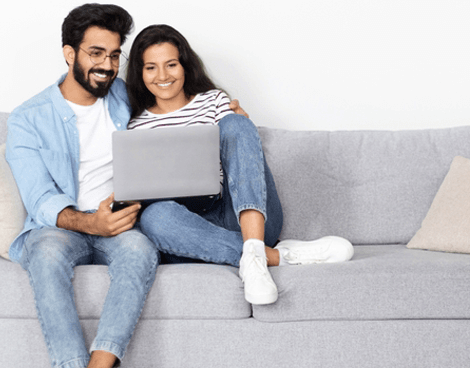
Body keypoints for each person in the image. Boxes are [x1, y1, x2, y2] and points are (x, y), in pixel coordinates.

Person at [126, 24, 354, 306]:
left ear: (184, 65)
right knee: (154, 218)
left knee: (236, 122)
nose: (162, 76)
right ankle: (273, 256)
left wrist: (241, 128)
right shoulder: (134, 126)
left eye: (171, 64)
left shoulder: (214, 102)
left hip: (245, 215)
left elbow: (240, 151)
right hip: (193, 230)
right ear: (140, 72)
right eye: (151, 67)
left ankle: (256, 244)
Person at [3, 4, 157, 368]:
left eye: (115, 55)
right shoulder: (27, 119)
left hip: (118, 222)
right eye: (96, 53)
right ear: (69, 54)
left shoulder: (125, 96)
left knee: (140, 252)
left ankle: (101, 365)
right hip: (62, 226)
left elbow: (175, 104)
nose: (106, 65)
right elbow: (39, 198)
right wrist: (91, 223)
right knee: (43, 255)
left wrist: (225, 110)